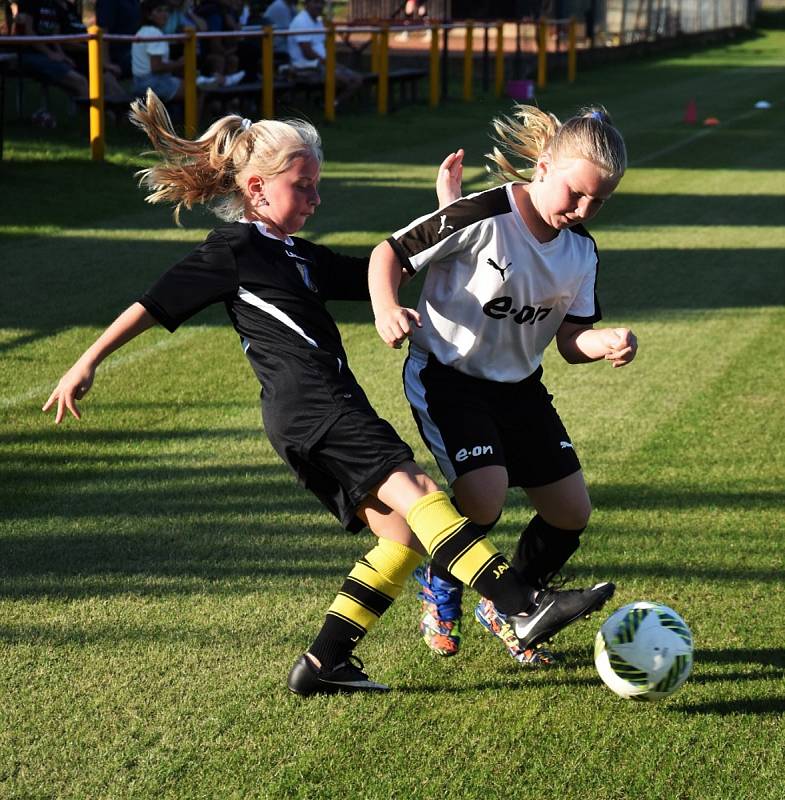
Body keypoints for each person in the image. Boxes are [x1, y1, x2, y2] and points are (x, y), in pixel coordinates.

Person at [43, 92, 612, 696]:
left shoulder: (300, 258)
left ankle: (325, 662)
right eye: (304, 186)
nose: (316, 199)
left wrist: (453, 214)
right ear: (257, 189)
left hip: (310, 414)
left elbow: (397, 268)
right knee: (420, 493)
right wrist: (86, 362)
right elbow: (152, 304)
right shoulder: (231, 251)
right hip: (316, 406)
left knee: (401, 535)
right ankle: (520, 603)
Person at [368, 104, 635, 666]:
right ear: (542, 168)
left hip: (520, 387)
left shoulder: (580, 251)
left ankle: (510, 602)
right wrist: (387, 306)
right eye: (576, 194)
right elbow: (388, 254)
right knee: (483, 494)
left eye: (598, 202)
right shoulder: (483, 214)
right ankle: (444, 590)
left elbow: (569, 340)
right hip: (449, 378)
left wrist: (604, 341)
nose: (584, 209)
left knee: (570, 513)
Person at [287, 0, 361, 107]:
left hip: (321, 64)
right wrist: (328, 63)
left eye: (322, 3)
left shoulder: (318, 21)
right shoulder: (301, 21)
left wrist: (330, 63)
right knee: (347, 79)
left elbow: (321, 46)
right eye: (315, 2)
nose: (319, 6)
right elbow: (307, 53)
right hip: (305, 66)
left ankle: (331, 104)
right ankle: (330, 106)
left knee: (357, 78)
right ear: (306, 4)